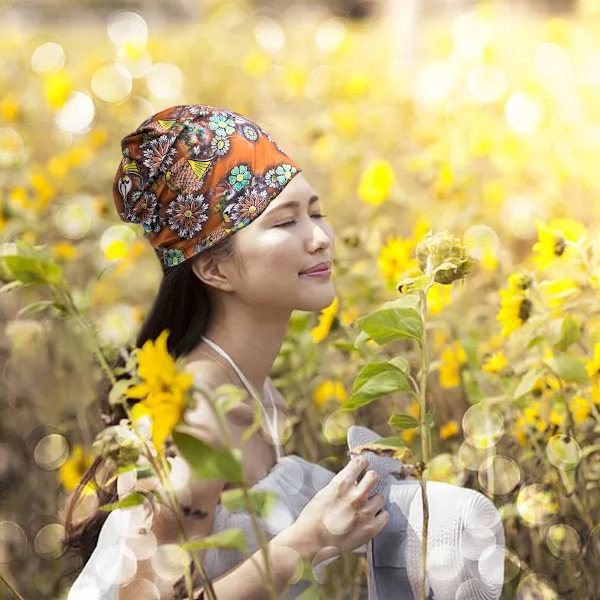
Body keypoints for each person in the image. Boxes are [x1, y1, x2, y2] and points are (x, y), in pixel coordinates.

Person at [64, 104, 389, 600]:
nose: (321, 238)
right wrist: (305, 543)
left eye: (316, 212)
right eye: (285, 223)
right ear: (214, 270)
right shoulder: (198, 418)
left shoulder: (258, 392)